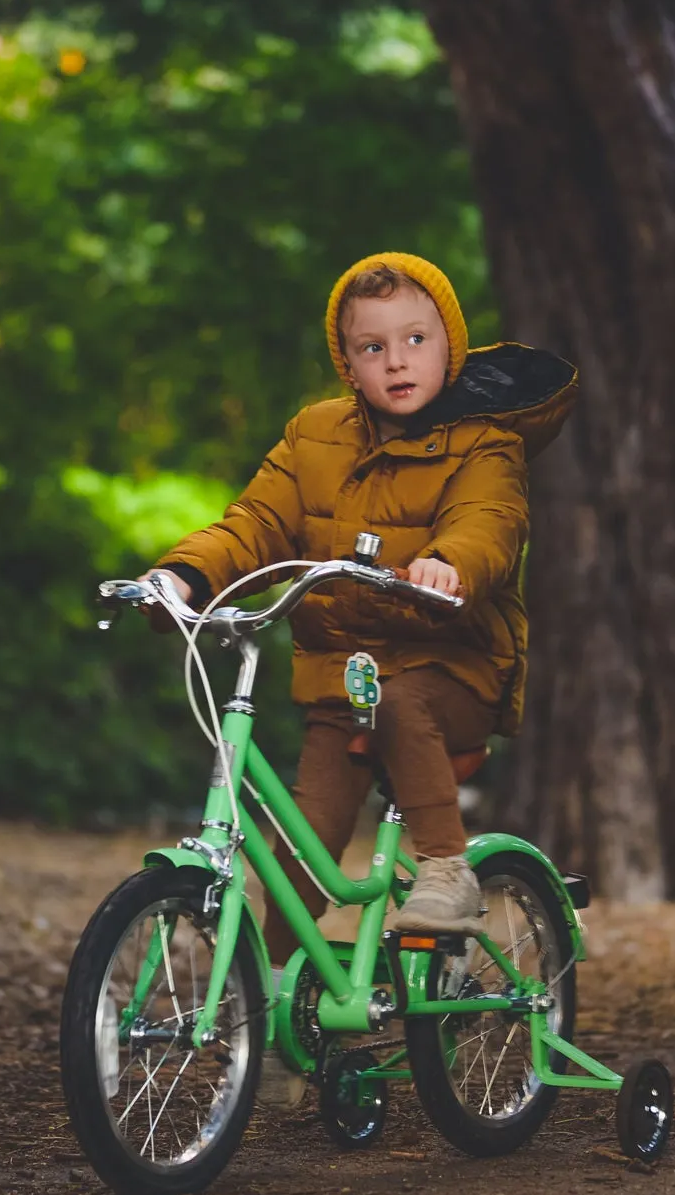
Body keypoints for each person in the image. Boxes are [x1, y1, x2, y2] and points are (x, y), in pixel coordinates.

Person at [146, 251, 576, 961]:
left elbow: (489, 523)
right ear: (348, 364)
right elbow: (255, 525)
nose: (397, 362)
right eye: (373, 348)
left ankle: (446, 866)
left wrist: (448, 564)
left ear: (451, 347)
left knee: (404, 699)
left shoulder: (485, 443)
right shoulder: (315, 436)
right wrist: (184, 577)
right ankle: (278, 1030)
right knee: (297, 858)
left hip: (457, 667)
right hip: (347, 684)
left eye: (416, 340)